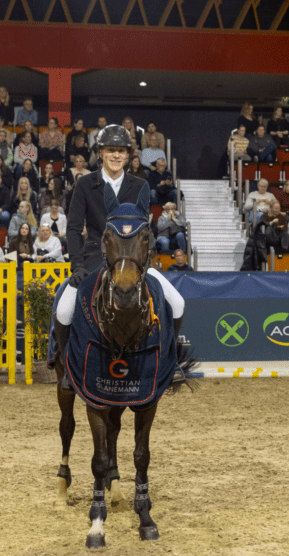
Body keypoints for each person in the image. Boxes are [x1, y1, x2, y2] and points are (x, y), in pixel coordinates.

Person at [54, 125, 182, 384]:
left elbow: (144, 230)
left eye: (121, 151)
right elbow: (75, 229)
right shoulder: (84, 184)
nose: (116, 155)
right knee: (64, 309)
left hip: (134, 260)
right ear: (101, 153)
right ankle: (67, 365)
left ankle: (172, 362)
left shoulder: (140, 185)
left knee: (177, 303)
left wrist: (146, 262)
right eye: (110, 150)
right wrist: (77, 266)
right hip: (95, 257)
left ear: (128, 154)